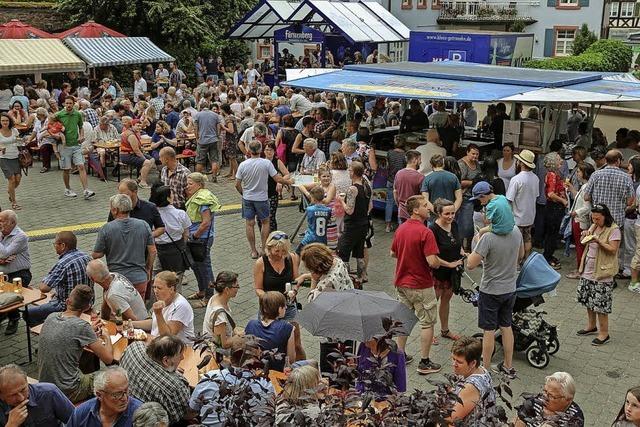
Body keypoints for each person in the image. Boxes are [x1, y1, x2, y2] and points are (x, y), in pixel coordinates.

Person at [391, 195, 449, 374]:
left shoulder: (401, 229)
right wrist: (440, 263)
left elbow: (393, 253)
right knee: (428, 322)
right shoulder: (426, 232)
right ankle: (424, 362)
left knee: (403, 320)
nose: (429, 208)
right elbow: (432, 261)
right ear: (416, 210)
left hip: (401, 282)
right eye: (425, 205)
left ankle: (400, 355)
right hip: (421, 284)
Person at [467, 205, 524, 379]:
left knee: (489, 330)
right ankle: (508, 366)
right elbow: (521, 255)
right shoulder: (516, 231)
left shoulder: (489, 238)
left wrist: (477, 240)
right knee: (506, 327)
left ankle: (484, 369)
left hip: (490, 290)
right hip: (509, 289)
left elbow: (470, 264)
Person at [38, 285, 114, 403]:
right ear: (88, 307)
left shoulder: (51, 317)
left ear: (68, 301)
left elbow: (68, 334)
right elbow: (108, 359)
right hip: (68, 390)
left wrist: (89, 331)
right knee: (111, 376)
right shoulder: (82, 327)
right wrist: (107, 336)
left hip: (44, 385)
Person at [189, 336, 274, 425]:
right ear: (253, 360)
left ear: (230, 356)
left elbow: (192, 410)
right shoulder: (266, 386)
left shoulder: (209, 379)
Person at [235, 140, 293, 259]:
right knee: (265, 222)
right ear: (260, 150)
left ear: (249, 151)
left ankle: (253, 250)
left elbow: (237, 184)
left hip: (248, 198)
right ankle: (264, 247)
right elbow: (277, 178)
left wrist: (243, 192)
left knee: (249, 223)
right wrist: (288, 181)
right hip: (262, 198)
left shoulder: (243, 164)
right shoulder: (266, 163)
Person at [93, 194, 156, 298]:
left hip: (116, 281)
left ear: (115, 210)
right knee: (138, 310)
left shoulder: (106, 228)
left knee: (117, 312)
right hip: (139, 278)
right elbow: (153, 251)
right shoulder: (143, 225)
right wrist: (148, 269)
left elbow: (96, 255)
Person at [120, 335, 191, 424]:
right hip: (149, 421)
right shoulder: (176, 386)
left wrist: (172, 370)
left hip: (124, 406)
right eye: (180, 355)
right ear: (166, 361)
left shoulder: (134, 347)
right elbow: (186, 414)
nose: (182, 358)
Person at [576, 204, 620, 346]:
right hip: (588, 269)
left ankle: (604, 333)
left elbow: (613, 250)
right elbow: (588, 237)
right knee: (588, 300)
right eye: (593, 218)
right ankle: (591, 326)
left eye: (597, 218)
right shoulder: (594, 226)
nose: (595, 221)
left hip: (602, 272)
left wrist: (598, 241)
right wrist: (586, 235)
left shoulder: (614, 230)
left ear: (605, 217)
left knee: (601, 304)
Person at [27, 231, 91, 326]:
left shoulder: (63, 263)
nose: (54, 246)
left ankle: (47, 330)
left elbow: (44, 288)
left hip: (66, 305)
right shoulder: (86, 257)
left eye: (55, 244)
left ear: (63, 245)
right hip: (87, 302)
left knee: (28, 313)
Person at [430, 199, 464, 342]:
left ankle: (445, 329)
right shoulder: (433, 229)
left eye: (453, 213)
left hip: (452, 272)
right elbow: (432, 255)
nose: (450, 216)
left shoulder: (454, 225)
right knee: (433, 301)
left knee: (446, 299)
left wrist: (462, 251)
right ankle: (429, 332)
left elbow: (456, 243)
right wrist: (449, 264)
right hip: (438, 271)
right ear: (438, 213)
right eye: (447, 214)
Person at [0, 363, 74, 427]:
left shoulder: (49, 393)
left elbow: (78, 421)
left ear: (27, 382)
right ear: (1, 396)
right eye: (13, 395)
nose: (21, 398)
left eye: (23, 390)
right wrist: (11, 424)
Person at [185, 172, 221, 302]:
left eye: (190, 184)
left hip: (201, 238)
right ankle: (202, 291)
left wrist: (195, 235)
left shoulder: (203, 199)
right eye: (187, 183)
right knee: (196, 266)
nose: (187, 186)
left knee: (205, 267)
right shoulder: (198, 195)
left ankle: (210, 297)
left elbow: (206, 222)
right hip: (197, 237)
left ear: (199, 185)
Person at [133, 271, 195, 345]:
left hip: (177, 351)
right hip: (159, 345)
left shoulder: (181, 306)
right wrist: (130, 324)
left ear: (171, 289)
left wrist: (158, 313)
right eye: (154, 287)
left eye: (159, 288)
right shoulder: (164, 299)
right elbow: (155, 323)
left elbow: (167, 337)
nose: (155, 291)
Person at [66, 367, 142, 427]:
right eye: (117, 394)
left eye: (127, 391)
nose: (125, 398)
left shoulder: (140, 414)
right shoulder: (81, 414)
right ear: (99, 395)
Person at [336, 161, 372, 282]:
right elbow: (370, 207)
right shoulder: (366, 186)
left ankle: (345, 278)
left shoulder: (353, 189)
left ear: (354, 173)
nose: (349, 172)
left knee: (343, 252)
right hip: (363, 224)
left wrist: (341, 200)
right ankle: (362, 276)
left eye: (350, 170)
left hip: (352, 226)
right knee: (359, 252)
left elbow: (349, 210)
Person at [448, 336, 496, 423]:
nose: (454, 364)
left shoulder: (471, 387)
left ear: (473, 363)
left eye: (459, 362)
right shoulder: (481, 370)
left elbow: (452, 419)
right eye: (453, 359)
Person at [245, 291, 295, 372]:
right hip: (277, 373)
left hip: (253, 371)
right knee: (311, 363)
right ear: (279, 309)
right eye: (284, 306)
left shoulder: (251, 324)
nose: (286, 308)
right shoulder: (287, 327)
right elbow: (291, 359)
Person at [57, 97, 95, 199]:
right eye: (67, 103)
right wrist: (57, 135)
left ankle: (86, 190)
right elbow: (52, 126)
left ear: (74, 104)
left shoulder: (78, 114)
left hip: (76, 145)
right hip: (64, 146)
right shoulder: (59, 115)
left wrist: (82, 136)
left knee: (81, 166)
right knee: (66, 169)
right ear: (64, 104)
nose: (68, 105)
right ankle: (68, 189)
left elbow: (81, 126)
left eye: (70, 103)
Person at [0, 210, 31, 336]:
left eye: (2, 220)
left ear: (12, 222)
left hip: (19, 275)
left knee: (10, 294)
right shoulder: (2, 234)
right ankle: (3, 313)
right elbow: (4, 255)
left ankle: (14, 318)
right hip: (3, 274)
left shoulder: (21, 236)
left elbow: (4, 253)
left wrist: (2, 257)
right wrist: (2, 261)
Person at [149, 184, 191, 279]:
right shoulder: (180, 213)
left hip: (158, 250)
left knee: (157, 278)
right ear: (168, 198)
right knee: (176, 279)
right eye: (171, 194)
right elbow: (186, 233)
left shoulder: (153, 214)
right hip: (176, 249)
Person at [514, 372, 584, 426]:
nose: (544, 397)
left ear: (568, 400)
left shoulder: (574, 418)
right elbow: (519, 420)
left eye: (551, 396)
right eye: (545, 391)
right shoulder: (535, 401)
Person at [506, 149, 539, 259]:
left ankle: (517, 262)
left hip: (517, 217)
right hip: (530, 215)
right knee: (527, 238)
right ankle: (526, 259)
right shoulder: (536, 178)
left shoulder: (516, 179)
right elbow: (536, 195)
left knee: (516, 242)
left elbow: (509, 199)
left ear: (521, 163)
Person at [565, 162, 595, 279]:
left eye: (578, 171)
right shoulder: (584, 186)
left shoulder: (586, 186)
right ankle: (580, 268)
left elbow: (587, 207)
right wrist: (572, 189)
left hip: (580, 220)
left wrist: (575, 212)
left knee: (580, 246)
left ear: (584, 173)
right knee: (579, 245)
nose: (577, 173)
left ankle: (580, 270)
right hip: (578, 219)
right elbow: (580, 198)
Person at [542, 152, 569, 269]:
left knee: (551, 234)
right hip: (554, 207)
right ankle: (547, 257)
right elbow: (551, 193)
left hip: (552, 207)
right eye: (559, 159)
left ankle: (548, 255)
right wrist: (563, 201)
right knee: (552, 234)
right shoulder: (552, 175)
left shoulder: (553, 174)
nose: (561, 161)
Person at [203, 271, 240, 348]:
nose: (238, 289)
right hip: (215, 355)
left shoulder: (215, 297)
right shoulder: (220, 315)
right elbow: (222, 344)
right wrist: (240, 337)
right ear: (226, 290)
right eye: (236, 286)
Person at [421, 154, 463, 221]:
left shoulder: (427, 178)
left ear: (431, 165)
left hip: (433, 217)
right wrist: (451, 212)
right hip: (450, 218)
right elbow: (459, 198)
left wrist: (437, 212)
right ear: (443, 164)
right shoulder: (453, 177)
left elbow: (425, 199)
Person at [457, 144, 481, 249]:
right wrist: (472, 182)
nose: (475, 156)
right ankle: (461, 247)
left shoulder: (477, 163)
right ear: (467, 152)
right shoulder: (462, 164)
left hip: (475, 198)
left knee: (472, 224)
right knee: (464, 224)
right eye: (473, 154)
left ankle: (470, 247)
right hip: (465, 198)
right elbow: (459, 182)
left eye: (477, 154)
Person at [120, 117, 155, 188]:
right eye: (137, 125)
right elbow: (136, 150)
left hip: (133, 153)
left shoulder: (135, 132)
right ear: (132, 125)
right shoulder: (131, 135)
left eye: (140, 125)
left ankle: (139, 178)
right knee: (147, 162)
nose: (139, 127)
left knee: (152, 159)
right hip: (127, 156)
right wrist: (144, 158)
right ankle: (143, 182)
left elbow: (138, 148)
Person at [264, 141, 291, 232]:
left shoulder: (277, 161)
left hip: (272, 193)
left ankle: (274, 237)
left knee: (271, 217)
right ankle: (264, 239)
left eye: (270, 150)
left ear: (274, 151)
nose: (268, 152)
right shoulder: (261, 162)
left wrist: (280, 182)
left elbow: (287, 174)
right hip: (261, 194)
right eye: (266, 150)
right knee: (261, 219)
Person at [194, 102, 223, 182]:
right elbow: (218, 127)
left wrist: (197, 137)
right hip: (213, 140)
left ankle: (197, 179)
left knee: (200, 160)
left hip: (203, 140)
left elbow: (196, 127)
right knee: (214, 160)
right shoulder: (215, 115)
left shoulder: (198, 115)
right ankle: (214, 176)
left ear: (201, 107)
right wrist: (217, 135)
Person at [394, 150, 424, 223]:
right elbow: (423, 197)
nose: (421, 162)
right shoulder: (420, 177)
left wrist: (399, 205)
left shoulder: (399, 173)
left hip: (401, 212)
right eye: (420, 159)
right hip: (415, 214)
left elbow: (395, 192)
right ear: (415, 160)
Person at [0, 113, 22, 210]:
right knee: (12, 179)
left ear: (10, 121)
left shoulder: (14, 130)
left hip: (15, 156)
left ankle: (10, 191)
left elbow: (19, 141)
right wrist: (1, 148)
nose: (5, 122)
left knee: (18, 179)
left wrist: (22, 142)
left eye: (7, 120)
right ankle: (14, 202)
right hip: (4, 158)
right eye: (3, 120)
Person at [385, 137, 407, 231]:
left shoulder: (389, 153)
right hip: (400, 181)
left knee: (389, 202)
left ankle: (388, 226)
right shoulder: (405, 155)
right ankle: (400, 226)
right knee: (401, 203)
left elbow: (387, 166)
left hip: (390, 180)